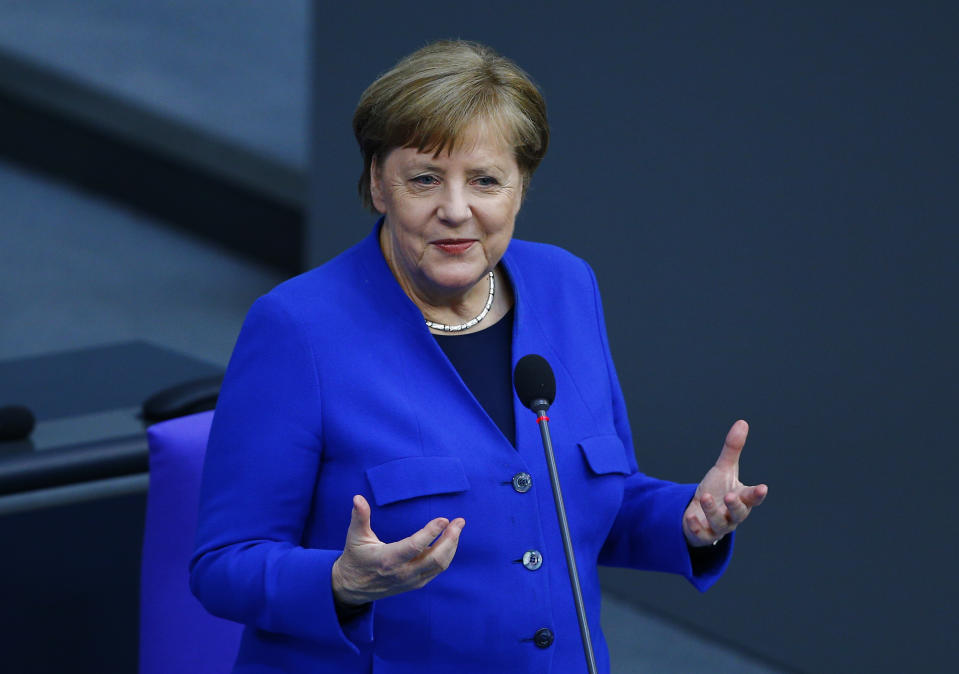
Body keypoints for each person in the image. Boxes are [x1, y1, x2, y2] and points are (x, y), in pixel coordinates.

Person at [190, 40, 768, 674]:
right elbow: (224, 565)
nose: (456, 210)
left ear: (520, 189)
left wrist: (687, 519)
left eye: (486, 180)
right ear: (379, 183)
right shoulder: (298, 328)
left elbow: (590, 501)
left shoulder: (565, 286)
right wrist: (342, 580)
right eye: (425, 179)